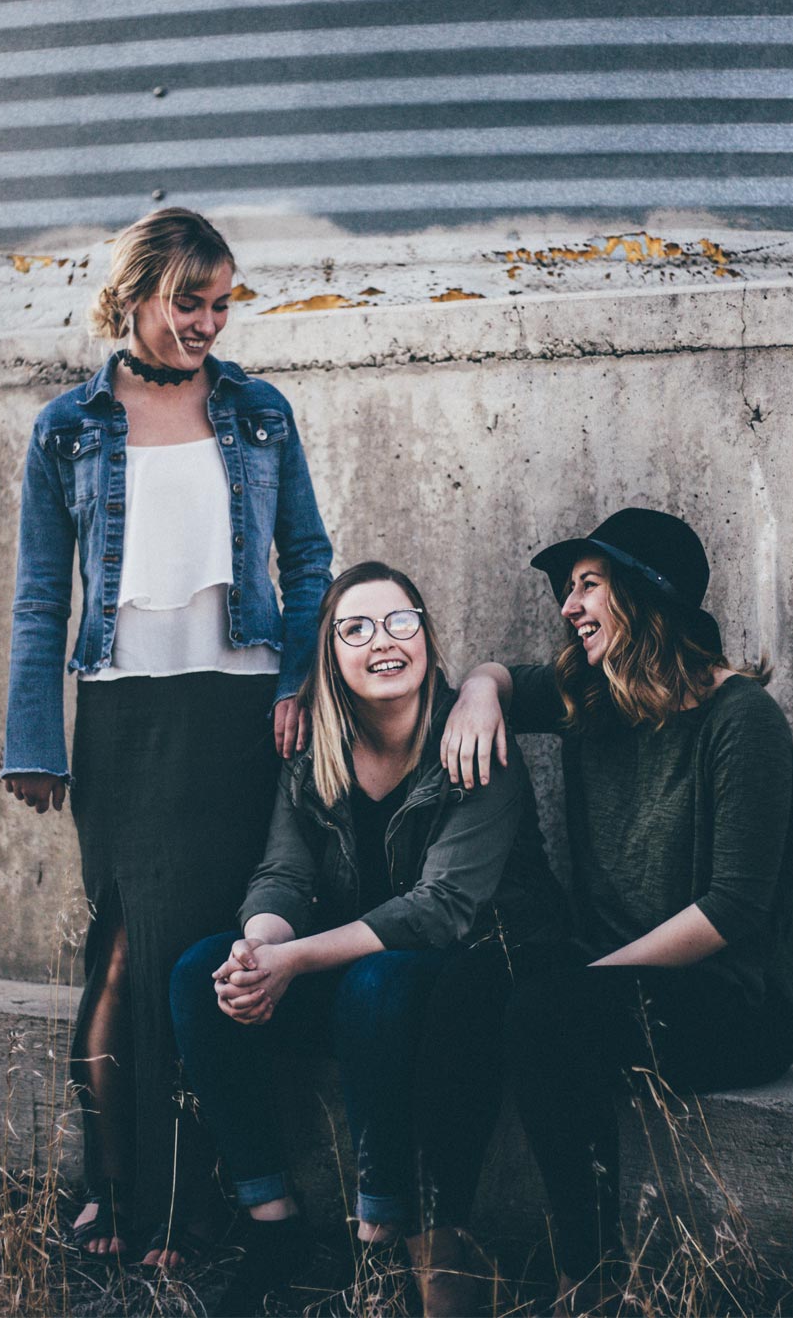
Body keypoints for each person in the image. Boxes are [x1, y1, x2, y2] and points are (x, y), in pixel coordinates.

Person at [0, 207, 332, 1267]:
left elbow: (309, 560)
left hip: (241, 716)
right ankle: (112, 1189)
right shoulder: (66, 427)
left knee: (208, 954)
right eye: (190, 301)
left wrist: (296, 680)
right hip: (125, 720)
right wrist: (35, 739)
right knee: (122, 950)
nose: (208, 323)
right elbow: (41, 596)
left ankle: (198, 1199)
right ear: (136, 294)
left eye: (222, 303)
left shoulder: (261, 411)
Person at [440, 507, 793, 1315]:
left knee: (547, 1011)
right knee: (467, 984)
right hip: (607, 983)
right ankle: (445, 1250)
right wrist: (478, 692)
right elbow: (500, 676)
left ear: (646, 596)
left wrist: (591, 977)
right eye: (568, 589)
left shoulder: (741, 718)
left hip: (734, 1000)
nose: (568, 606)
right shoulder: (589, 695)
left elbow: (733, 907)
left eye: (589, 585)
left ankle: (591, 1281)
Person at [170, 561, 566, 1315]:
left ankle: (380, 1231)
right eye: (355, 629)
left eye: (399, 622)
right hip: (358, 985)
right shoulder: (315, 751)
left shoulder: (473, 738)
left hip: (457, 982)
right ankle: (273, 1224)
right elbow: (282, 873)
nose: (382, 641)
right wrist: (258, 951)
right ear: (331, 656)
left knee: (376, 981)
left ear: (426, 636)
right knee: (199, 972)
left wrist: (294, 959)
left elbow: (441, 909)